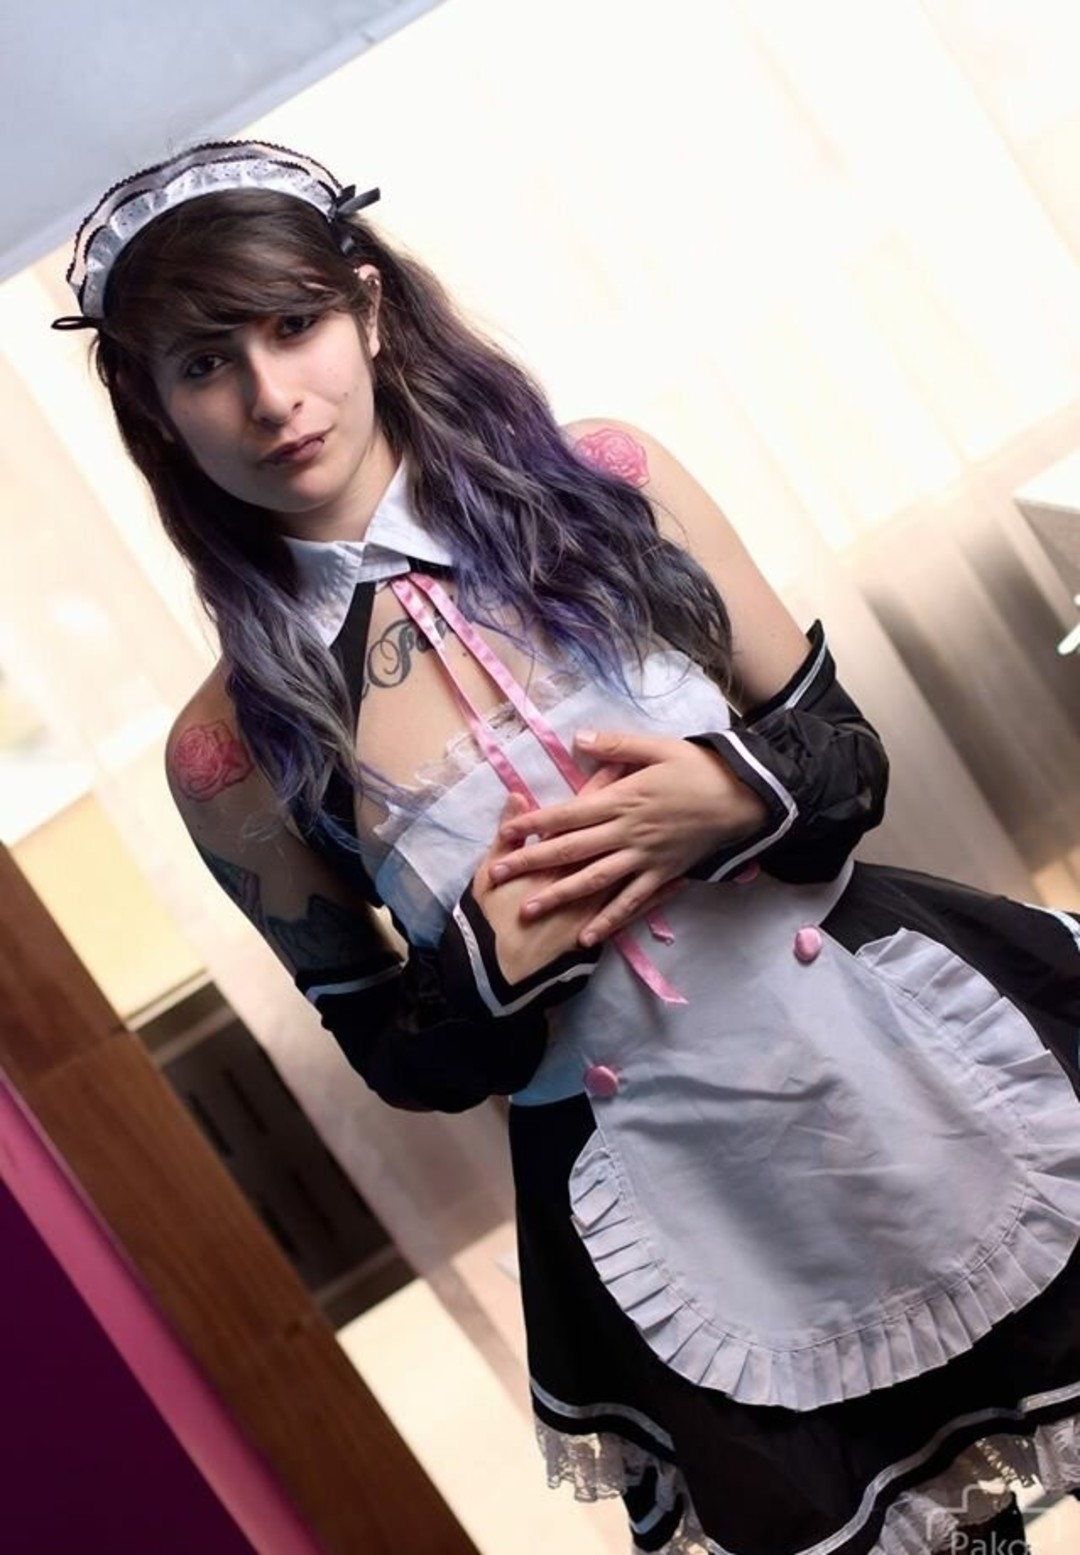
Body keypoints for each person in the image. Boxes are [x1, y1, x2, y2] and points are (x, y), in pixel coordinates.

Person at [57, 139, 1080, 1555]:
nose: (272, 396)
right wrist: (488, 967)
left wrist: (729, 797)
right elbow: (400, 1059)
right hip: (684, 1194)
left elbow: (845, 758)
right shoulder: (230, 747)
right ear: (155, 410)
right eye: (203, 363)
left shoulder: (611, 483)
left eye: (294, 325)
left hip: (907, 1057)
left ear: (367, 307)